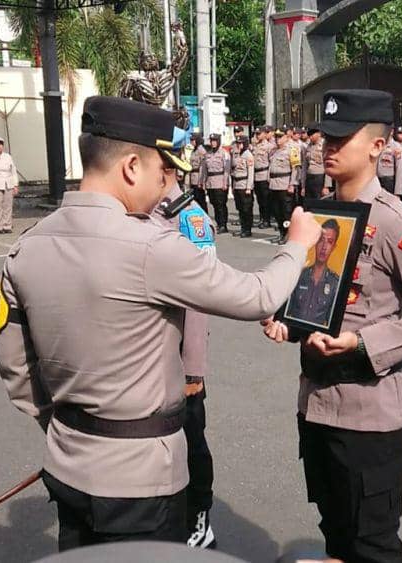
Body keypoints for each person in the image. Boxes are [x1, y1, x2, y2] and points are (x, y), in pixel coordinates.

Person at [0, 96, 322, 552]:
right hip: (140, 481)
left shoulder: (26, 247)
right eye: (163, 173)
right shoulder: (150, 247)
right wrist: (298, 247)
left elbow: (15, 367)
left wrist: (65, 426)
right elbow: (257, 296)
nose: (168, 185)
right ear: (131, 166)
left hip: (67, 463)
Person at [261, 88, 402, 563]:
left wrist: (362, 341)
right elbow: (316, 295)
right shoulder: (315, 216)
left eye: (341, 138)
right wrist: (287, 323)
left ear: (377, 145)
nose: (327, 148)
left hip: (369, 412)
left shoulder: (398, 223)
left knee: (372, 546)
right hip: (316, 402)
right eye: (324, 137)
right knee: (336, 533)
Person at [150, 174, 219, 550]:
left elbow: (199, 300)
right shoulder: (140, 209)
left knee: (190, 439)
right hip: (148, 357)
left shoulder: (188, 218)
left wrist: (193, 369)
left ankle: (199, 517)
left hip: (179, 357)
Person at [288, 218, 342, 326]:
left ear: (333, 247)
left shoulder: (335, 283)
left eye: (329, 242)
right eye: (321, 240)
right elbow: (286, 311)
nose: (324, 247)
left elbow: (331, 323)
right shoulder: (299, 275)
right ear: (315, 242)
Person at [268, 127, 302, 243]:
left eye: (280, 137)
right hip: (274, 185)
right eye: (276, 137)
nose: (277, 139)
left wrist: (292, 184)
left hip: (285, 184)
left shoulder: (291, 150)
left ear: (286, 137)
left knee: (286, 212)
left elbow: (296, 169)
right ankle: (282, 233)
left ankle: (288, 234)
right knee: (277, 212)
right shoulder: (273, 151)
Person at [200, 133, 231, 233]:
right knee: (214, 204)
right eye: (211, 141)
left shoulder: (224, 153)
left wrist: (225, 182)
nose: (213, 143)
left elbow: (227, 169)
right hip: (210, 182)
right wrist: (203, 182)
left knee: (221, 205)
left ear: (218, 142)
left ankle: (223, 225)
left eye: (215, 141)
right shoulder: (207, 154)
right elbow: (204, 169)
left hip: (220, 181)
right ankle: (218, 223)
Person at [230, 135, 255, 238]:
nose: (239, 145)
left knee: (246, 209)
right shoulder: (237, 154)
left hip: (245, 184)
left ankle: (247, 229)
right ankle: (243, 228)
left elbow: (251, 172)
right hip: (237, 184)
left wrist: (249, 187)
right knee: (240, 208)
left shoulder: (248, 155)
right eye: (238, 143)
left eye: (241, 143)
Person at [254, 126, 274, 229]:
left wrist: (269, 176)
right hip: (256, 175)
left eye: (259, 134)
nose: (257, 136)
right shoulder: (255, 146)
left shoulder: (269, 146)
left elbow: (271, 162)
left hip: (264, 173)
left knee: (266, 200)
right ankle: (262, 218)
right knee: (260, 200)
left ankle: (267, 220)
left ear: (264, 134)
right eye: (256, 134)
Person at [377, 125, 402, 196]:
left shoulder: (396, 147)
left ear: (392, 132)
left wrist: (398, 191)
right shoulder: (379, 145)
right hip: (377, 179)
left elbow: (399, 169)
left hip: (388, 181)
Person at [302, 125, 328, 201]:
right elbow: (304, 166)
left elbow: (328, 165)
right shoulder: (308, 146)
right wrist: (303, 185)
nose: (310, 137)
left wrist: (326, 186)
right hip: (309, 177)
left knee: (319, 202)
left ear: (318, 133)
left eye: (312, 134)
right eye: (309, 135)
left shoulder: (324, 145)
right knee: (309, 202)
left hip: (320, 178)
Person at [188, 134, 208, 212]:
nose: (191, 142)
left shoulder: (201, 150)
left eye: (193, 140)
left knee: (201, 200)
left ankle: (205, 217)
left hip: (198, 178)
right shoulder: (194, 150)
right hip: (193, 177)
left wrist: (201, 181)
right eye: (191, 140)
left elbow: (202, 167)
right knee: (195, 199)